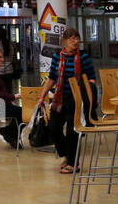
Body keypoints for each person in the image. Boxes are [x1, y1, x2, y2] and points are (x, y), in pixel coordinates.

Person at [38, 29, 96, 176]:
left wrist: (86, 90)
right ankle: (67, 154)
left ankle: (72, 162)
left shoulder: (83, 57)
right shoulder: (57, 57)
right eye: (72, 39)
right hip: (60, 98)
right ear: (64, 41)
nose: (75, 41)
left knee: (72, 131)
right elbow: (52, 78)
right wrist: (42, 95)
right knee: (53, 128)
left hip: (77, 100)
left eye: (77, 38)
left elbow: (92, 78)